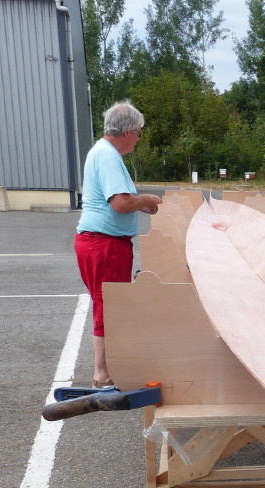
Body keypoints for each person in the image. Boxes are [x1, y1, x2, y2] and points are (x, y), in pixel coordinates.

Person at [75, 100, 162, 388]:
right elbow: (120, 202)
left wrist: (141, 203)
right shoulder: (108, 156)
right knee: (109, 306)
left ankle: (108, 368)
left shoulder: (103, 153)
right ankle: (104, 373)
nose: (138, 139)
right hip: (104, 244)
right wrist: (144, 200)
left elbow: (122, 200)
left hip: (101, 242)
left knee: (106, 304)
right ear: (128, 130)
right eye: (138, 133)